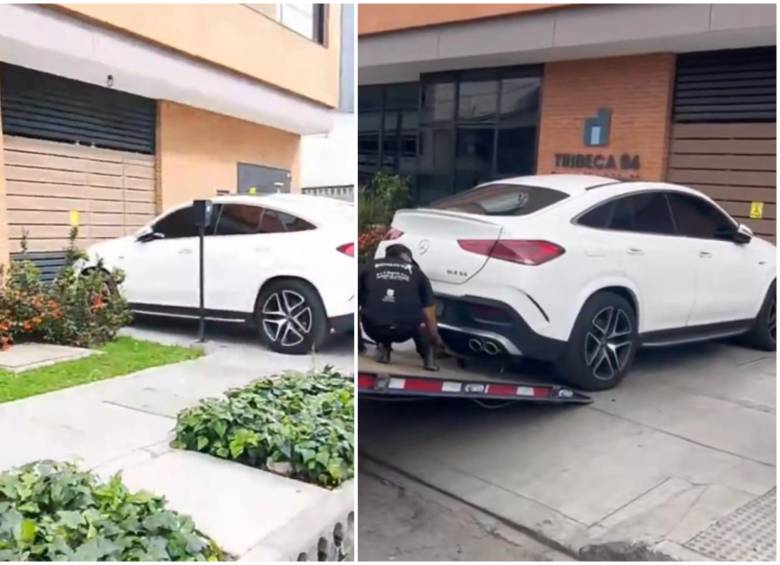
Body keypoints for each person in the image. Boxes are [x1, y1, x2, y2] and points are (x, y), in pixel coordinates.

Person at [358, 244, 442, 371]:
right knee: (421, 323)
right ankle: (428, 358)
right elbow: (428, 310)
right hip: (407, 329)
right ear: (407, 257)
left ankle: (383, 347)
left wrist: (358, 342)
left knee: (381, 311)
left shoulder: (369, 267)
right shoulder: (417, 273)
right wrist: (435, 338)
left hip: (374, 328)